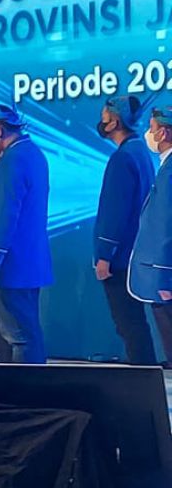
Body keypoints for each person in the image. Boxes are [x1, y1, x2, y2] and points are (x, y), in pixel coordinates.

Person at [0, 104, 52, 364]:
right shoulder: (29, 154)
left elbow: (3, 215)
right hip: (26, 261)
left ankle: (27, 388)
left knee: (19, 337)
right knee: (25, 332)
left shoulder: (12, 161)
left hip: (11, 264)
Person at [92, 96, 159, 365]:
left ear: (115, 122)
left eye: (104, 118)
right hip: (136, 251)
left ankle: (141, 375)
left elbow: (114, 211)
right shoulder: (140, 152)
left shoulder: (122, 158)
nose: (101, 123)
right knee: (135, 322)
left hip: (120, 257)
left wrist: (104, 254)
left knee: (128, 323)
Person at [128, 107, 172, 356]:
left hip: (165, 277)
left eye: (152, 128)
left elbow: (167, 224)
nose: (149, 133)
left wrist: (164, 276)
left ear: (163, 133)